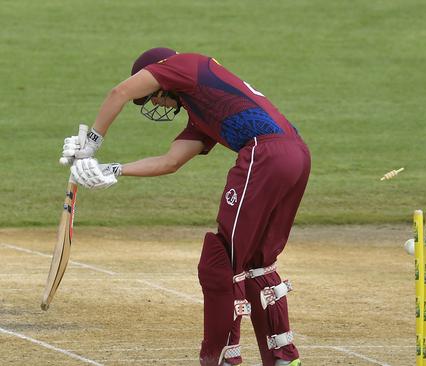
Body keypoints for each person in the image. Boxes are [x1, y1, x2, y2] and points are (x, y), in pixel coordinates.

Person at [60, 47, 309, 366]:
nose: (155, 103)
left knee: (221, 262)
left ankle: (221, 358)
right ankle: (283, 358)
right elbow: (170, 161)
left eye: (152, 96)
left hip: (266, 154)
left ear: (158, 77)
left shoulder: (185, 65)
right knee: (258, 262)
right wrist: (112, 169)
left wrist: (89, 145)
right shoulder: (202, 111)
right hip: (297, 156)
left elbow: (119, 91)